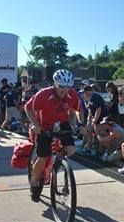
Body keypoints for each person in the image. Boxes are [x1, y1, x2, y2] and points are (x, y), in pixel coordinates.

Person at [24, 69, 81, 202]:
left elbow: (77, 110)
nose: (64, 90)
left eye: (67, 87)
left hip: (62, 123)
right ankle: (34, 182)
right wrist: (35, 125)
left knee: (71, 150)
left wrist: (81, 124)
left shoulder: (72, 94)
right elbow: (28, 108)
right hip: (44, 126)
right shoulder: (43, 94)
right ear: (55, 84)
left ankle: (59, 162)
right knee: (43, 158)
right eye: (61, 86)